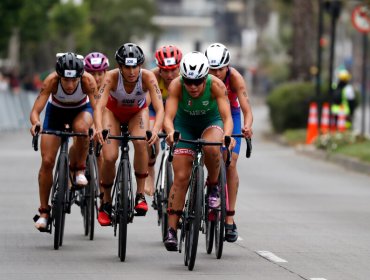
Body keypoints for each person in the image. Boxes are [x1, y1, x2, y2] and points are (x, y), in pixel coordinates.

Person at [163, 51, 235, 251]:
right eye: (189, 82)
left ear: (205, 78)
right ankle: (171, 229)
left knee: (212, 147)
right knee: (181, 176)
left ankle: (213, 185)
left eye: (198, 82)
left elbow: (227, 117)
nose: (193, 87)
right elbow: (168, 117)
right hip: (184, 126)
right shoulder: (176, 85)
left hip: (210, 123)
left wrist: (227, 136)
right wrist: (170, 132)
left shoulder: (217, 85)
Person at [94, 43, 164, 226]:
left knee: (141, 142)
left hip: (136, 113)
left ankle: (140, 195)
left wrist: (155, 130)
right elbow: (99, 106)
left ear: (140, 65)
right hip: (113, 114)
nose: (132, 71)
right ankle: (106, 203)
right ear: (120, 66)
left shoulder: (148, 77)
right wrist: (99, 127)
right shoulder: (110, 77)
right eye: (127, 67)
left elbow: (159, 107)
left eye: (135, 66)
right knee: (109, 157)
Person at [30, 52, 98, 231]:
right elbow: (35, 111)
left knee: (82, 129)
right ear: (59, 76)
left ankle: (79, 169)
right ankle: (44, 211)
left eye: (74, 80)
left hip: (82, 110)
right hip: (56, 113)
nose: (69, 85)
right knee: (47, 161)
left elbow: (98, 109)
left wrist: (98, 127)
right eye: (66, 80)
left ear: (80, 76)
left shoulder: (88, 81)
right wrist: (36, 123)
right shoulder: (51, 81)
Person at [205, 43, 253, 242]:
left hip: (230, 114)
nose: (216, 73)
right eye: (212, 69)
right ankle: (208, 184)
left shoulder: (235, 78)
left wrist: (247, 127)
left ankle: (230, 218)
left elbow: (246, 110)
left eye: (221, 68)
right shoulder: (200, 77)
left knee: (231, 163)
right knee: (206, 151)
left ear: (228, 66)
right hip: (209, 113)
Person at [145, 45, 183, 197]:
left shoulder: (185, 78)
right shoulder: (152, 76)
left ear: (179, 67)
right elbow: (145, 106)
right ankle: (150, 169)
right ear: (159, 68)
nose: (169, 74)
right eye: (165, 70)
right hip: (156, 108)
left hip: (176, 110)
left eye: (173, 69)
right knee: (150, 134)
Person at [83, 52, 110, 222]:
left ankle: (102, 191)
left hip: (101, 119)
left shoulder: (109, 84)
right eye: (92, 73)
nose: (96, 77)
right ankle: (74, 168)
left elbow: (106, 112)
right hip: (85, 116)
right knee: (81, 135)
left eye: (100, 73)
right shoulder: (83, 84)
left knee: (102, 154)